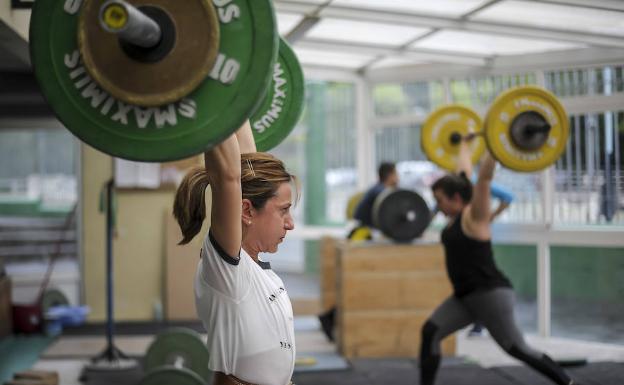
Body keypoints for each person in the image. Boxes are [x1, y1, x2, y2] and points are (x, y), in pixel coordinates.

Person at [419, 135, 576, 385]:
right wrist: (463, 145)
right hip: (465, 297)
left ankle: (567, 382)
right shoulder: (454, 217)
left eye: (440, 200)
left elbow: (483, 179)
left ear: (456, 199)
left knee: (517, 348)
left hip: (489, 294)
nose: (437, 206)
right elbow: (464, 173)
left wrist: (496, 143)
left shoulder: (474, 217)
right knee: (431, 332)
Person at [173, 121, 299, 385]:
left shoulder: (256, 267)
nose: (290, 223)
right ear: (247, 211)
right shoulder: (230, 272)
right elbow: (227, 175)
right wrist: (215, 102)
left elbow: (242, 163)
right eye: (283, 210)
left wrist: (239, 93)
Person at [318, 162, 398, 342]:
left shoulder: (378, 190)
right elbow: (386, 218)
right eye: (396, 174)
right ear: (390, 175)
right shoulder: (381, 192)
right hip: (362, 237)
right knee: (358, 286)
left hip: (361, 235)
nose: (398, 177)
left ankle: (329, 317)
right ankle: (329, 317)